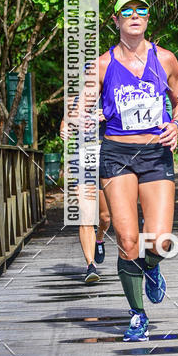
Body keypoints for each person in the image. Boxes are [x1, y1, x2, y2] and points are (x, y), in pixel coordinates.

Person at [96, 0, 178, 342]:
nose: (134, 15)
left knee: (160, 241)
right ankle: (137, 315)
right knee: (128, 240)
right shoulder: (102, 65)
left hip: (155, 153)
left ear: (148, 18)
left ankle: (151, 268)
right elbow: (82, 107)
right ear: (116, 20)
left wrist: (176, 124)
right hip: (117, 154)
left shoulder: (165, 59)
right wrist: (81, 115)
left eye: (141, 10)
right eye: (127, 11)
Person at [60, 105, 111, 284]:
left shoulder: (111, 94)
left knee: (105, 217)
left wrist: (109, 114)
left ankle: (99, 239)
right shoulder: (78, 98)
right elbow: (65, 122)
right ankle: (91, 266)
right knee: (86, 216)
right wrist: (64, 130)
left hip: (107, 160)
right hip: (82, 162)